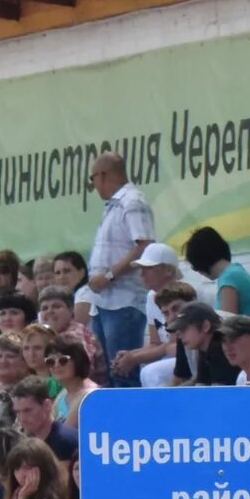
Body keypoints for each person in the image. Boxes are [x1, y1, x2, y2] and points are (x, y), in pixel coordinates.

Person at [83, 153, 157, 371]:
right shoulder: (114, 205)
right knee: (109, 372)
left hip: (123, 301)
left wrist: (108, 276)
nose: (94, 186)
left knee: (124, 372)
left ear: (102, 175)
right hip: (104, 302)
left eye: (92, 179)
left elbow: (144, 245)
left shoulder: (132, 201)